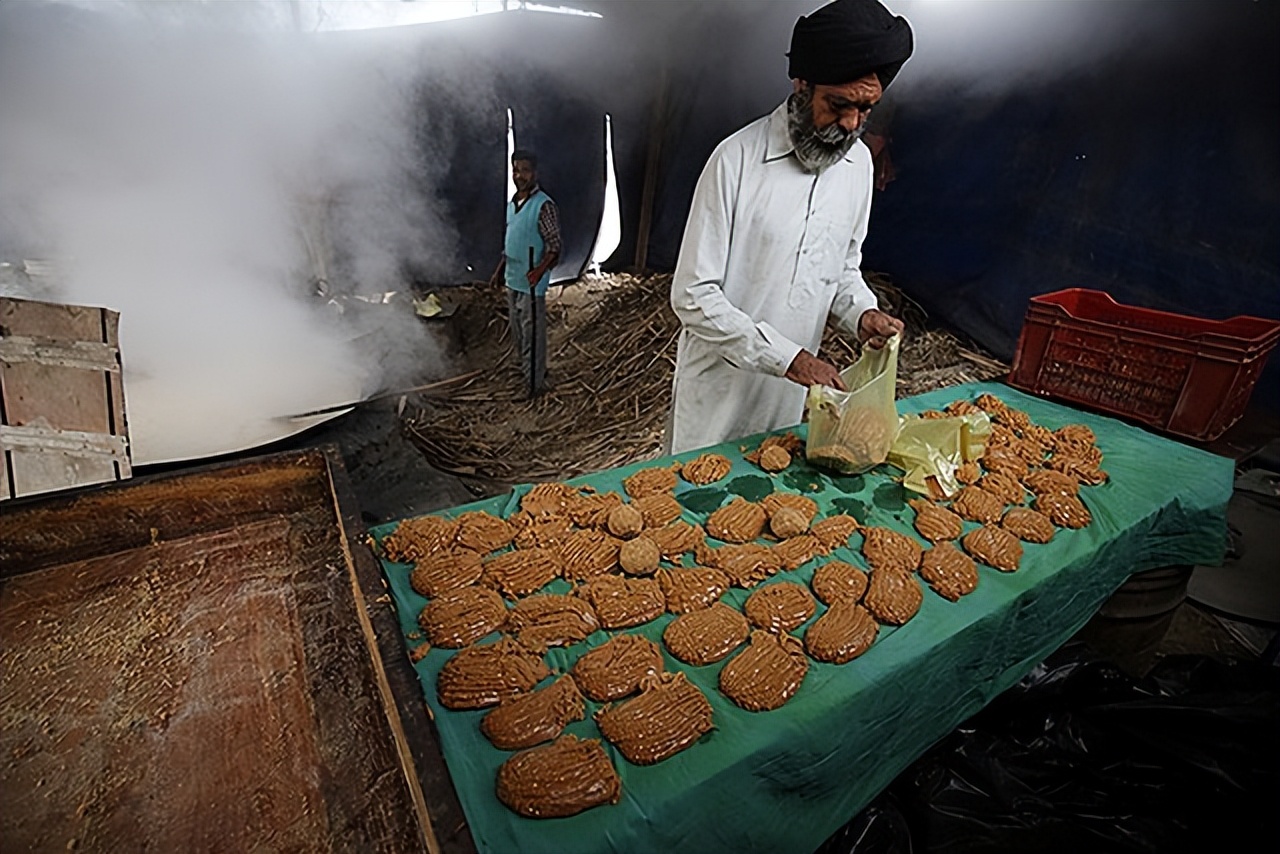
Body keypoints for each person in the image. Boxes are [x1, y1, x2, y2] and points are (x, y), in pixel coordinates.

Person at [666, 0, 913, 455]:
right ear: (801, 84)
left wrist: (861, 313)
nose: (851, 124)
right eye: (838, 104)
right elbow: (692, 295)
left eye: (866, 109)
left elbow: (840, 271)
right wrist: (789, 358)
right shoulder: (735, 161)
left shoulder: (857, 164)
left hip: (789, 401)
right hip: (718, 397)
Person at [490, 149, 561, 398]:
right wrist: (500, 270)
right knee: (519, 332)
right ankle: (527, 372)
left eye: (525, 170)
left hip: (531, 283)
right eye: (515, 169)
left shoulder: (544, 205)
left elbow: (555, 246)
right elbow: (512, 239)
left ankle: (535, 385)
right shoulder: (513, 203)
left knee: (532, 335)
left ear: (535, 173)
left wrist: (538, 271)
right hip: (513, 278)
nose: (519, 175)